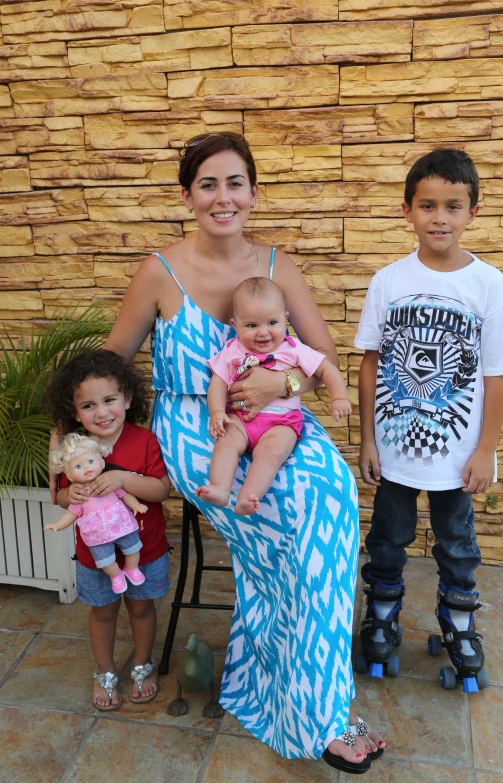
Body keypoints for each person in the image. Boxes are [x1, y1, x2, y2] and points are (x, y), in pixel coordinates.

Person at [84, 131, 385, 771]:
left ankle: (301, 692)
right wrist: (78, 423)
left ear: (253, 191)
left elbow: (323, 357)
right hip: (196, 427)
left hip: (280, 417)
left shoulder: (279, 266)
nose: (224, 198)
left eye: (235, 183)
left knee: (329, 501)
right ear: (189, 195)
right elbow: (111, 359)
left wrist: (291, 382)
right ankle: (313, 705)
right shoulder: (159, 271)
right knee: (285, 519)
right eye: (208, 184)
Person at [355, 148, 503, 687]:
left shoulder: (488, 284)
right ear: (408, 210)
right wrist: (368, 442)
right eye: (428, 205)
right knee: (387, 539)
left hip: (458, 455)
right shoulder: (387, 280)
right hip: (397, 448)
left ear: (473, 211)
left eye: (453, 205)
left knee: (457, 544)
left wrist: (486, 449)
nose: (440, 218)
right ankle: (381, 616)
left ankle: (458, 619)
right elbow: (372, 363)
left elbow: (499, 373)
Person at [46, 350, 172, 711]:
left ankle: (143, 664)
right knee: (102, 611)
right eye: (88, 405)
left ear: (127, 399)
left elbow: (161, 489)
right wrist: (73, 492)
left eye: (109, 400)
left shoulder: (144, 441)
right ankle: (104, 671)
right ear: (74, 412)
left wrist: (122, 479)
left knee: (142, 607)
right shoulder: (73, 447)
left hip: (143, 550)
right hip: (95, 556)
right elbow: (60, 498)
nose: (101, 413)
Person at [196, 276, 351, 515]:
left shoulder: (294, 349)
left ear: (285, 319)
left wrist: (339, 397)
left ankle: (249, 497)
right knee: (226, 441)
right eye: (251, 325)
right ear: (235, 325)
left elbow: (326, 368)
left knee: (270, 455)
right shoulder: (232, 350)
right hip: (240, 419)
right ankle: (220, 487)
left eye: (272, 322)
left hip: (281, 422)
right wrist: (217, 413)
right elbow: (217, 382)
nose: (263, 333)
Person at [45, 432, 148, 594]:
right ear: (69, 475)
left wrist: (135, 505)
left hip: (122, 525)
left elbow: (124, 494)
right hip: (97, 536)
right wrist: (58, 524)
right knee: (105, 561)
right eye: (78, 466)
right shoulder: (79, 493)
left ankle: (131, 568)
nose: (86, 467)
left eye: (91, 461)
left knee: (133, 548)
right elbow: (72, 513)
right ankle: (116, 576)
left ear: (101, 462)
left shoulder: (108, 481)